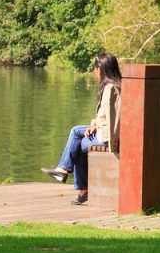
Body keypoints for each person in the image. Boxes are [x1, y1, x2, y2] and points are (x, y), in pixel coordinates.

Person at [41, 53, 122, 204]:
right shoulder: (116, 86)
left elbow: (114, 119)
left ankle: (70, 178)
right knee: (77, 134)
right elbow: (107, 116)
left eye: (95, 68)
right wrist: (95, 125)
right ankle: (65, 173)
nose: (94, 72)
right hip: (106, 133)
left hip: (109, 139)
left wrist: (101, 131)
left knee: (77, 141)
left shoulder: (110, 89)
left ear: (101, 69)